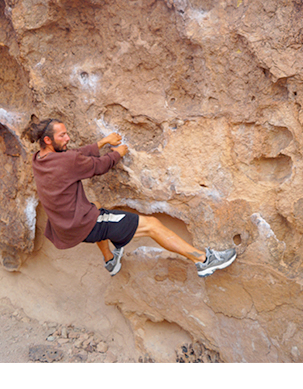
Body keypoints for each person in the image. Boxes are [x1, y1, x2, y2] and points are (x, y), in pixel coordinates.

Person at [27, 118, 236, 277]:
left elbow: (73, 156)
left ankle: (110, 259)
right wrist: (118, 152)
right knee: (153, 225)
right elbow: (99, 166)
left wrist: (102, 143)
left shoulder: (40, 159)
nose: (68, 138)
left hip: (64, 228)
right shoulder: (67, 161)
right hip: (83, 225)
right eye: (62, 135)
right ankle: (204, 260)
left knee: (96, 206)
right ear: (48, 139)